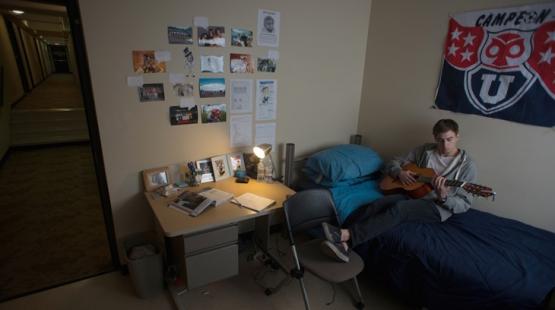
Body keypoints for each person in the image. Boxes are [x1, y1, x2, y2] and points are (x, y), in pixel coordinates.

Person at [320, 119, 477, 263]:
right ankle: (342, 240)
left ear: (457, 137)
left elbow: (464, 204)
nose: (445, 145)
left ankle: (346, 238)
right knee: (378, 204)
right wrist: (399, 173)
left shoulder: (466, 166)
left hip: (437, 206)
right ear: (435, 137)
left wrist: (443, 196)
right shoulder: (424, 150)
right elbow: (394, 162)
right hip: (412, 194)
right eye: (440, 140)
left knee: (400, 209)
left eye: (449, 139)